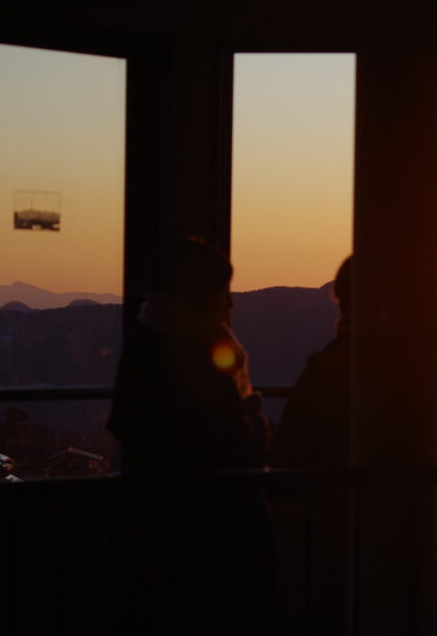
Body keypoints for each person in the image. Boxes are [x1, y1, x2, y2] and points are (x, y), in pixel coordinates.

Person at [271, 255, 437, 635]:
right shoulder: (434, 381)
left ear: (346, 302)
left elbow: (288, 465)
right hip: (422, 552)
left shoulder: (321, 378)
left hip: (336, 554)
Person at [108, 237, 274, 635]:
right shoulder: (199, 351)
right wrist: (253, 422)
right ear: (201, 296)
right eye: (224, 293)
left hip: (156, 537)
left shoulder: (143, 346)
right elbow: (230, 444)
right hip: (215, 541)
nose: (230, 305)